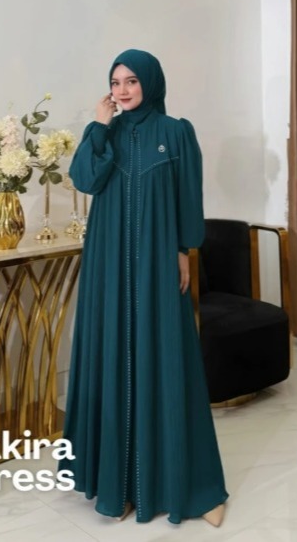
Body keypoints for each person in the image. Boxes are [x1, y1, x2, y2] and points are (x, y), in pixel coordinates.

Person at [59, 49, 228, 526]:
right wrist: (98, 126)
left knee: (167, 356)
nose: (123, 90)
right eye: (116, 82)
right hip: (108, 261)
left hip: (157, 260)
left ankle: (189, 486)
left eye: (132, 81)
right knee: (113, 355)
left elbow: (188, 196)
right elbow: (85, 180)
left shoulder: (176, 132)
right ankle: (119, 485)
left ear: (150, 82)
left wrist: (183, 250)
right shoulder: (105, 133)